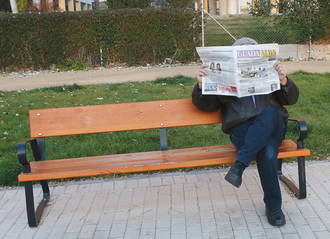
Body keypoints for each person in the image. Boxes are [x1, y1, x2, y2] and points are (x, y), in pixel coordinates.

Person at [192, 37, 299, 227]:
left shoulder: (271, 73)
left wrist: (284, 80)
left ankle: (239, 166)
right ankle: (274, 208)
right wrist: (201, 85)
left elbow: (291, 99)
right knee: (266, 152)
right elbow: (207, 107)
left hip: (273, 127)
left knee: (268, 113)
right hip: (242, 130)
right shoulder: (224, 77)